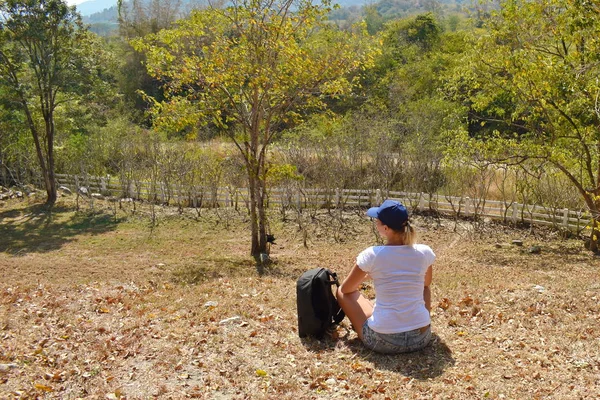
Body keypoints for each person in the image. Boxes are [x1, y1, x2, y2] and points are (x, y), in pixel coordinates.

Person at [336, 199, 435, 354]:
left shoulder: (372, 254)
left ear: (386, 228)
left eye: (377, 221)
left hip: (383, 341)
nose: (376, 223)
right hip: (421, 339)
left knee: (341, 292)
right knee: (424, 288)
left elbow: (347, 288)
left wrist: (367, 277)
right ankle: (416, 322)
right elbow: (426, 283)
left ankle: (378, 315)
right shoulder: (424, 252)